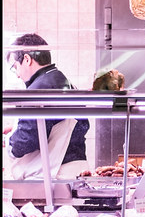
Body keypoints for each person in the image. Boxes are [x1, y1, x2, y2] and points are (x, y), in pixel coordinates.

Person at [4, 34, 90, 179]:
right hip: (76, 169)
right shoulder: (63, 82)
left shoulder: (38, 90)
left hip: (55, 176)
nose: (18, 75)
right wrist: (15, 129)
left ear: (27, 59)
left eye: (15, 67)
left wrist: (9, 142)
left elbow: (26, 141)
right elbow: (47, 127)